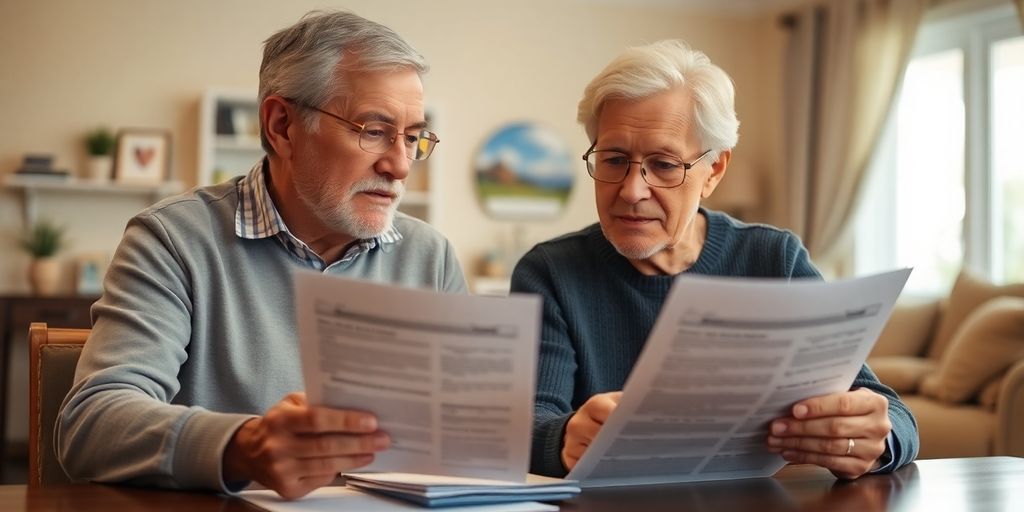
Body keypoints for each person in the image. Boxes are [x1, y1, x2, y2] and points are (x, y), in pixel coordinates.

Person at [57, 10, 466, 499]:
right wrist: (241, 446)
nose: (400, 164)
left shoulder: (431, 258)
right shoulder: (173, 239)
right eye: (373, 131)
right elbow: (91, 422)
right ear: (282, 126)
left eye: (413, 136)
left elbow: (465, 437)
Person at [511, 40, 918, 480]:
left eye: (664, 165)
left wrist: (876, 438)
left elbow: (893, 415)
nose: (631, 190)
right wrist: (566, 437)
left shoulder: (773, 259)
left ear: (715, 171)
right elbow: (526, 424)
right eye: (613, 159)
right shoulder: (550, 272)